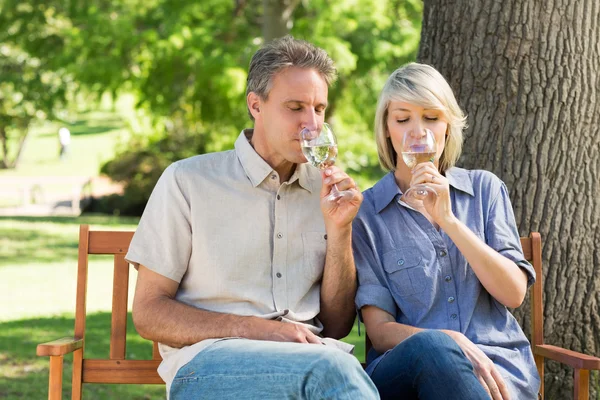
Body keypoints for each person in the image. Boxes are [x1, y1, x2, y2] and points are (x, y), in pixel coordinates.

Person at [125, 36, 379, 399]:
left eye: (319, 109)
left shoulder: (327, 193)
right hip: (210, 365)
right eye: (295, 107)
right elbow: (149, 313)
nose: (312, 124)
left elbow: (336, 326)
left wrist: (340, 232)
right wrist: (253, 329)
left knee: (340, 368)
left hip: (310, 362)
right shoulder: (189, 181)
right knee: (333, 371)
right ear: (255, 105)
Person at [352, 63, 541, 400]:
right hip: (410, 370)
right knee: (434, 348)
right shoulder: (366, 213)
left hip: (499, 368)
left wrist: (450, 221)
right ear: (387, 129)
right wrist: (449, 341)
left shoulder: (485, 189)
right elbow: (380, 333)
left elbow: (513, 294)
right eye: (402, 118)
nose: (416, 132)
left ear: (447, 127)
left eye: (431, 117)